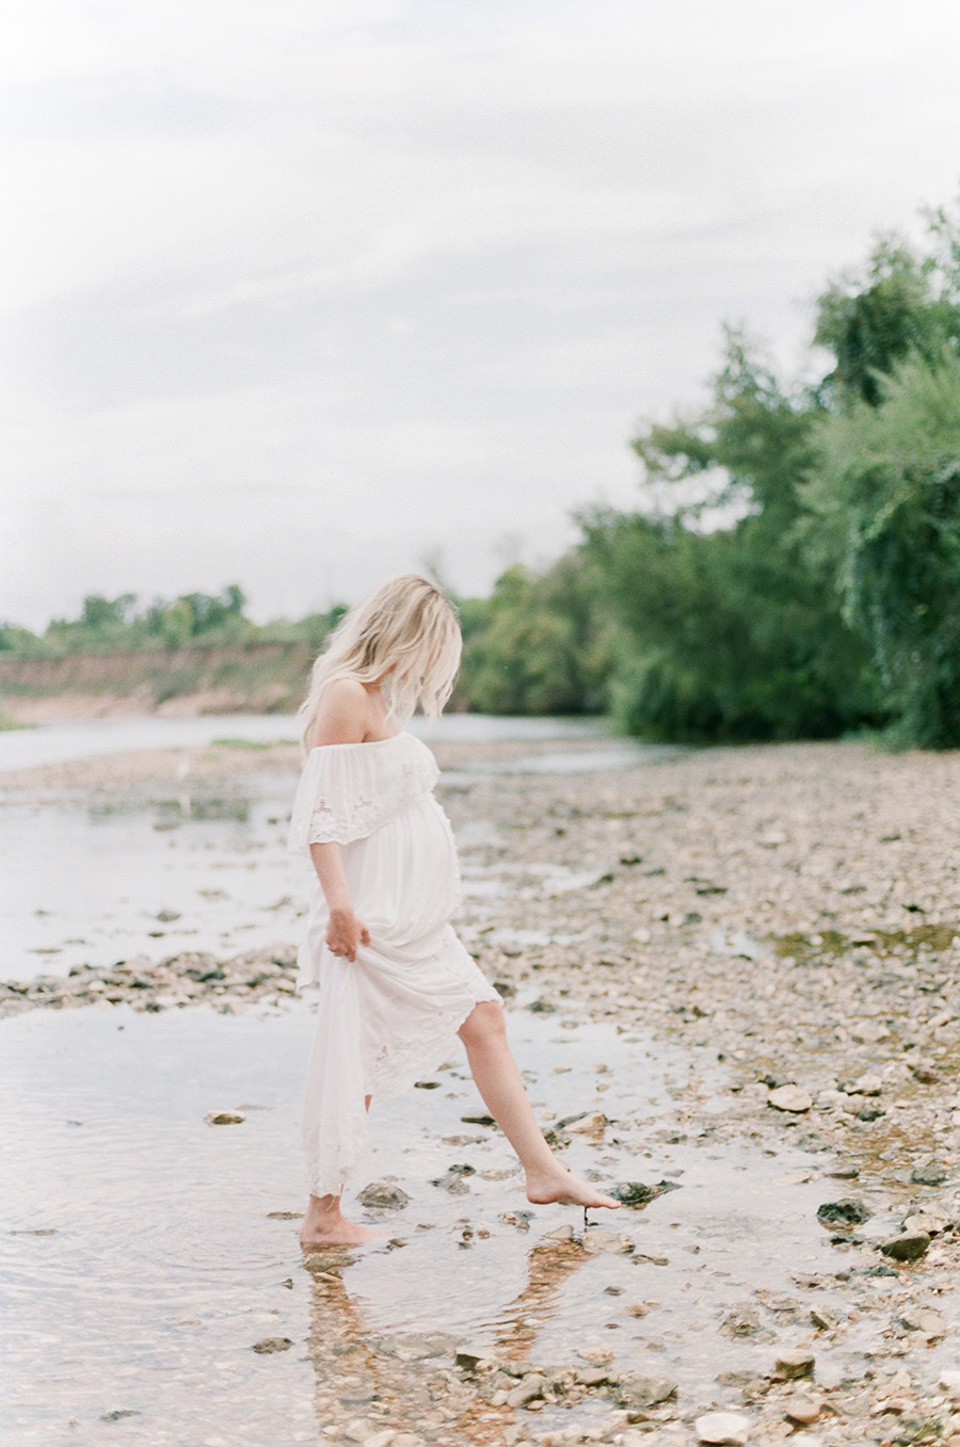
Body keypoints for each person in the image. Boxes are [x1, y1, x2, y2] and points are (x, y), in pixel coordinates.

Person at [288, 574, 619, 1246]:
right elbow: (320, 814)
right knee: (360, 1051)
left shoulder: (376, 699)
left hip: (411, 920)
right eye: (431, 648)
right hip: (374, 913)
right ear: (403, 633)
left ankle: (542, 1168)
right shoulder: (348, 694)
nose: (432, 667)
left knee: (482, 1019)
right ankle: (323, 1216)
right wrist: (340, 908)